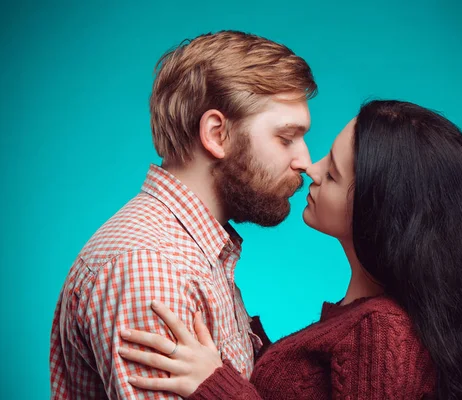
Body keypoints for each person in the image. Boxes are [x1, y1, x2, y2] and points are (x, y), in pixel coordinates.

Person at [118, 100, 462, 399]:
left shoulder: (381, 331)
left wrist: (216, 386)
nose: (310, 168)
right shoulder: (366, 317)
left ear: (378, 211)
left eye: (333, 173)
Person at [50, 30, 317, 399]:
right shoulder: (152, 267)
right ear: (216, 134)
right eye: (286, 137)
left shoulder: (196, 253)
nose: (304, 161)